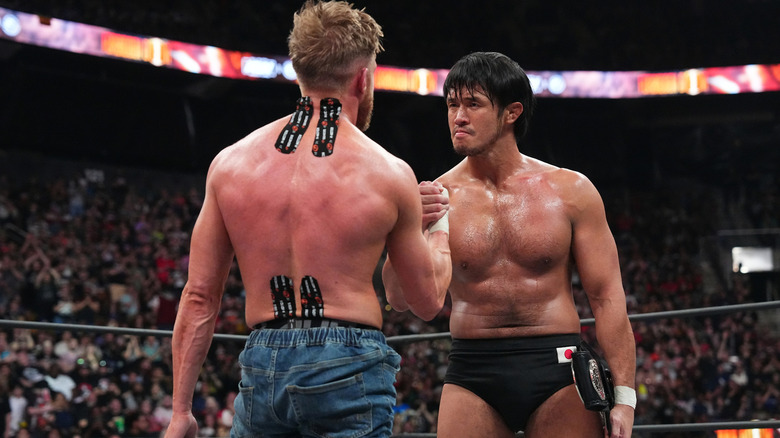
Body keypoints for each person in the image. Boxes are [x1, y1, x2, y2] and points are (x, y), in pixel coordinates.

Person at [164, 1, 451, 438]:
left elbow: (199, 297)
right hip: (348, 358)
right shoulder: (389, 174)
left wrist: (180, 410)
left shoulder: (230, 165)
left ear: (300, 73)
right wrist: (438, 229)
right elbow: (427, 302)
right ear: (363, 77)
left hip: (263, 358)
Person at [398, 51, 636, 437]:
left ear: (511, 113)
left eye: (473, 104)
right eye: (452, 104)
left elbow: (607, 295)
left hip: (558, 366)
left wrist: (624, 398)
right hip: (472, 369)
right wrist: (410, 223)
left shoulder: (571, 191)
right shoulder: (437, 197)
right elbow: (398, 297)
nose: (458, 117)